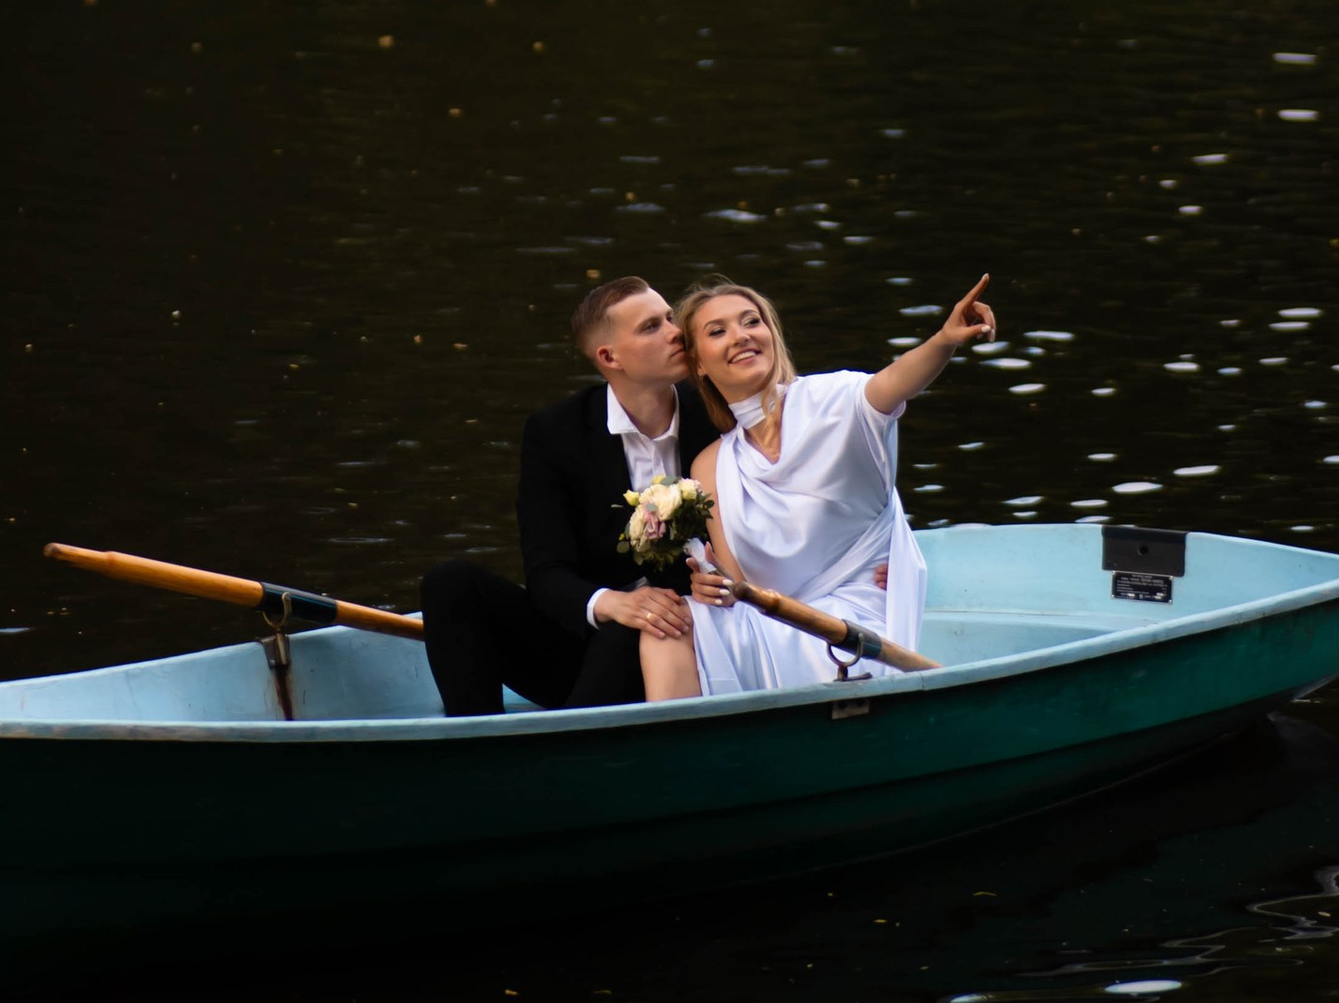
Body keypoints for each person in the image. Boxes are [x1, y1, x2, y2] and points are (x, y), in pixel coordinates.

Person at [679, 273, 997, 694]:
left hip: (857, 624)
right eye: (717, 331)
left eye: (752, 322)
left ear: (772, 335)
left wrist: (944, 340)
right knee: (672, 622)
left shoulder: (835, 399)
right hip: (771, 619)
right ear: (698, 363)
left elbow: (896, 382)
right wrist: (712, 585)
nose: (740, 336)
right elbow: (738, 587)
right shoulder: (709, 465)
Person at [421, 274, 715, 715]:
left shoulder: (715, 412)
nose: (676, 333)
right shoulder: (557, 433)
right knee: (450, 584)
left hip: (691, 641)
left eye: (670, 318)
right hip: (587, 643)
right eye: (651, 327)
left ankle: (569, 746)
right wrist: (611, 603)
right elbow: (546, 571)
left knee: (639, 627)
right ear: (609, 357)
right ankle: (476, 739)